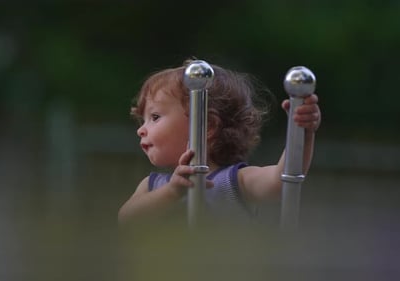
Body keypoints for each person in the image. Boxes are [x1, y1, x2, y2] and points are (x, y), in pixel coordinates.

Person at [118, 59, 321, 226]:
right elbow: (126, 220)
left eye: (154, 117)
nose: (140, 129)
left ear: (206, 126)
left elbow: (281, 182)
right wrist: (171, 192)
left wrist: (302, 131)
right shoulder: (153, 186)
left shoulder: (233, 181)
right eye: (142, 120)